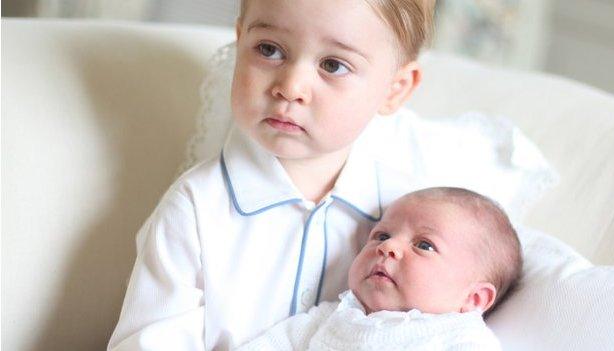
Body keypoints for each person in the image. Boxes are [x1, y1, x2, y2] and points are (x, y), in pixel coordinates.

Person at [107, 0, 436, 349]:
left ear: (395, 89)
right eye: (269, 50)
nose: (290, 86)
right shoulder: (195, 209)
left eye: (333, 65)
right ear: (239, 43)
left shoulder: (409, 216)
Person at [237, 187, 522, 350]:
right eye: (382, 235)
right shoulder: (334, 315)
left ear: (473, 299)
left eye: (424, 245)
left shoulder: (461, 339)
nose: (388, 248)